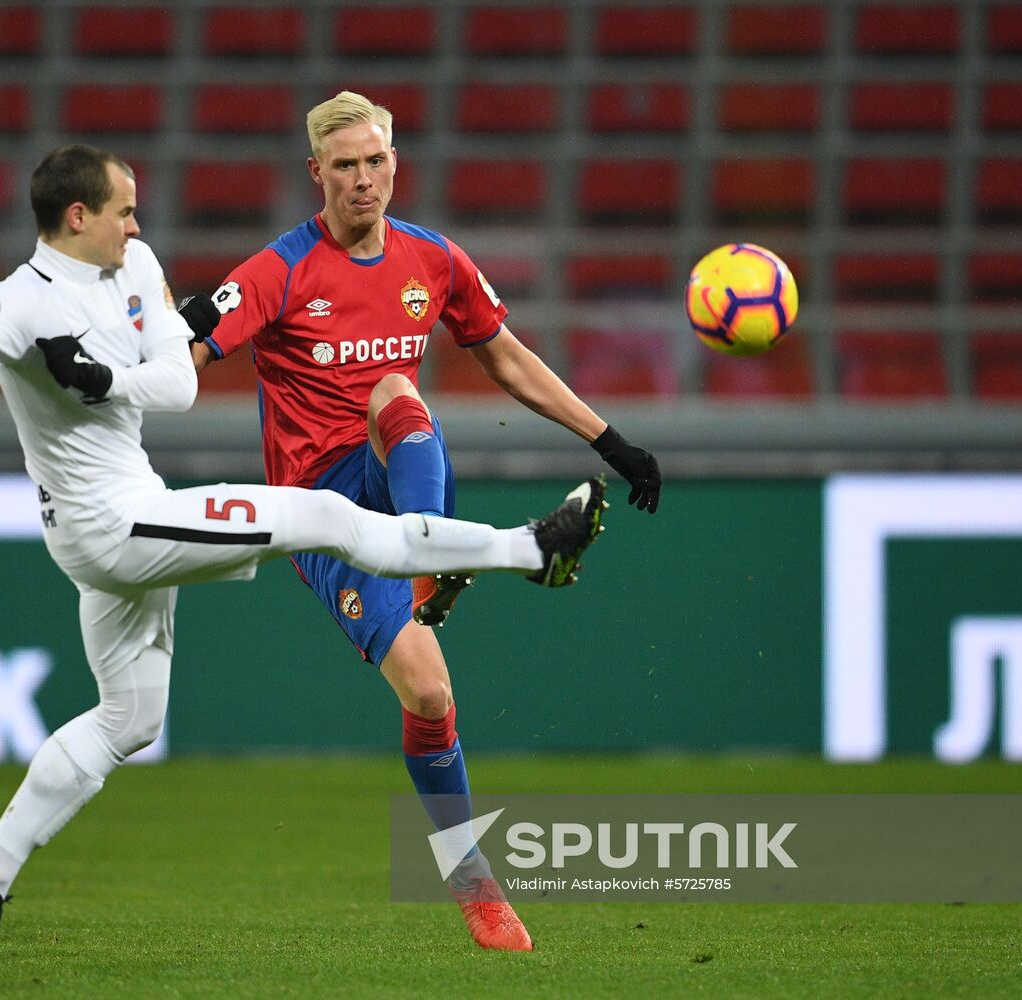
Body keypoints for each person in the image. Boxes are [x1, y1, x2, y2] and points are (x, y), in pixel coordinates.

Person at [0, 143, 609, 975]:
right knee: (325, 517)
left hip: (136, 504)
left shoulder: (137, 267)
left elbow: (177, 384)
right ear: (77, 216)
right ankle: (531, 550)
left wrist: (103, 380)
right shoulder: (18, 302)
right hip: (109, 525)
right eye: (123, 210)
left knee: (130, 718)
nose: (138, 223)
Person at [179, 92, 663, 952]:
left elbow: (505, 356)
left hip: (395, 480)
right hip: (320, 510)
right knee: (428, 691)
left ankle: (476, 890)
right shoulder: (277, 271)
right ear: (315, 173)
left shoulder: (431, 260)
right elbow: (189, 352)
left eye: (375, 162)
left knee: (399, 393)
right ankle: (431, 555)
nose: (363, 180)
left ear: (394, 162)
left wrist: (610, 440)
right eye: (344, 166)